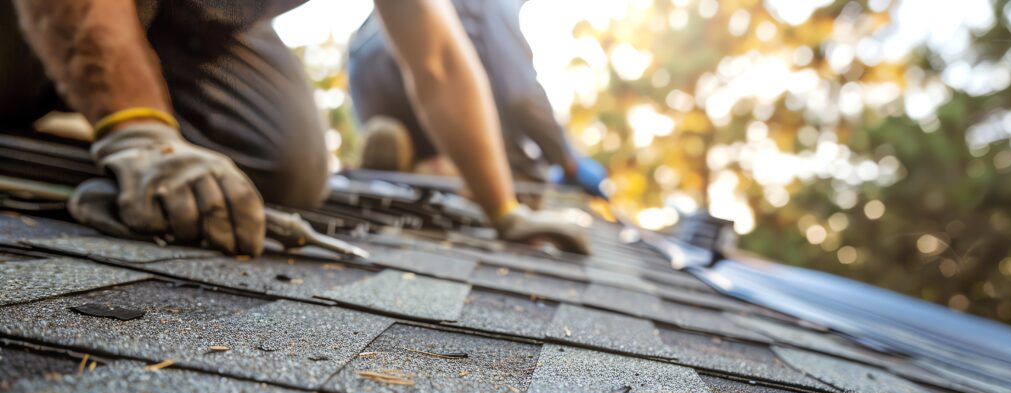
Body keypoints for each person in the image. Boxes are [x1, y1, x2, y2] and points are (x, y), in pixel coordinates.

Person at [3, 0, 590, 255]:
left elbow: (438, 61)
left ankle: (96, 113)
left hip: (200, 23)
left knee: (288, 168)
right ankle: (100, 108)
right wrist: (139, 131)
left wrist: (504, 210)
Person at [348, 0, 608, 199]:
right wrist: (567, 159)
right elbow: (521, 95)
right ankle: (473, 173)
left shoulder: (366, 26)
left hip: (379, 98)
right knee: (530, 177)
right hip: (446, 114)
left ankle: (422, 161)